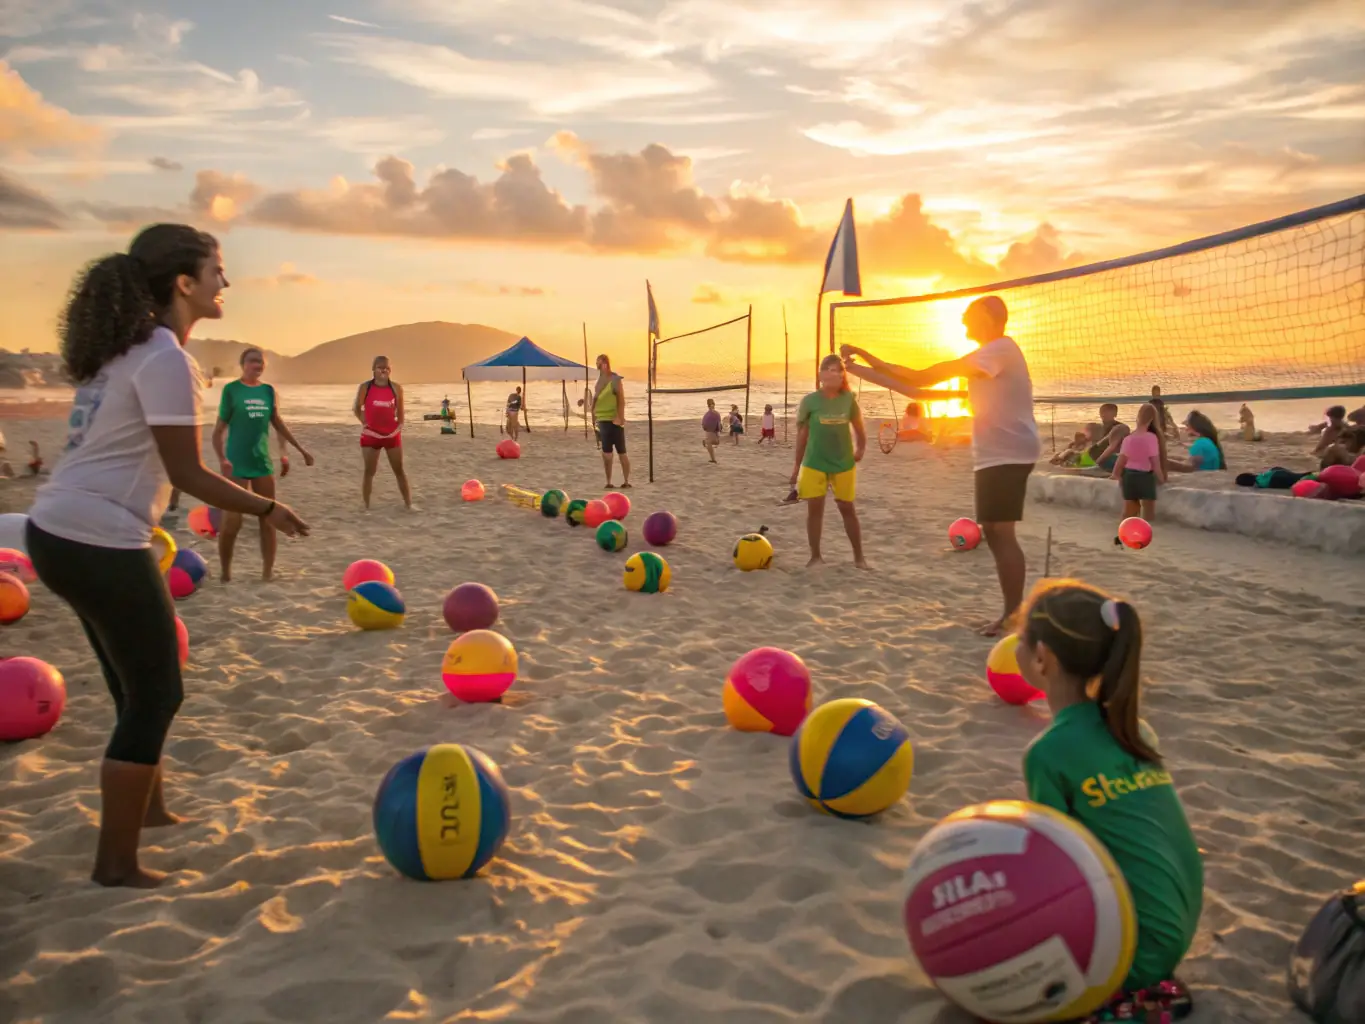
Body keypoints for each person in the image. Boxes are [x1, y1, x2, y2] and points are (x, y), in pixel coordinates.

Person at [24, 223, 309, 888]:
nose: (225, 283)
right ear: (184, 283)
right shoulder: (163, 360)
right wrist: (267, 507)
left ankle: (148, 815)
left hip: (58, 530)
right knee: (158, 691)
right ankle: (117, 863)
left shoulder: (127, 353)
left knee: (135, 685)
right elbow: (187, 473)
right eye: (217, 271)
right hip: (94, 537)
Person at [1016, 579, 1202, 1020]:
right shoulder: (1134, 730)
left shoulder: (1048, 753)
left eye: (1019, 640)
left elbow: (1051, 873)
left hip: (1131, 957)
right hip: (1175, 932)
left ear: (1043, 657)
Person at [843, 294, 1040, 635]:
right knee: (994, 531)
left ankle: (1013, 616)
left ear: (989, 318)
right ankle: (1011, 613)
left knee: (1001, 533)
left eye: (969, 315)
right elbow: (917, 391)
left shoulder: (999, 350)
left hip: (1009, 451)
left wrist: (866, 354)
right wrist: (858, 367)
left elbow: (922, 378)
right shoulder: (987, 359)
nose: (963, 321)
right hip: (996, 453)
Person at [213, 347, 314, 582]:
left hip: (261, 463)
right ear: (243, 364)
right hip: (236, 463)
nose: (257, 365)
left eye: (260, 362)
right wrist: (222, 459)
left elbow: (278, 423)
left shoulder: (268, 391)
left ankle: (267, 573)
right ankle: (225, 573)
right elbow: (218, 431)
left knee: (268, 519)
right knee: (231, 523)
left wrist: (298, 450)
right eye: (252, 361)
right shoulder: (231, 390)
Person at [791, 354, 867, 568]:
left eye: (838, 370)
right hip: (815, 462)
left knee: (847, 508)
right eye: (829, 370)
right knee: (815, 510)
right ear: (821, 374)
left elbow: (859, 429)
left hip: (843, 463)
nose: (834, 374)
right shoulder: (810, 401)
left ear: (843, 375)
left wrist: (861, 449)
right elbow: (802, 436)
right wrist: (796, 467)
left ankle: (859, 558)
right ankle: (815, 556)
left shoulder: (849, 399)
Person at [353, 355, 413, 510]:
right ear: (373, 369)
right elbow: (356, 408)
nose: (384, 370)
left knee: (399, 470)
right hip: (371, 436)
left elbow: (401, 411)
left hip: (391, 435)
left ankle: (409, 505)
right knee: (369, 471)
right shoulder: (365, 387)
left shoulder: (396, 388)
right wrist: (364, 422)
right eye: (380, 367)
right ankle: (366, 506)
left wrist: (400, 425)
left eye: (386, 368)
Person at [1111, 403, 1166, 537]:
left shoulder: (1129, 438)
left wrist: (1116, 475)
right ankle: (1143, 536)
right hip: (1145, 478)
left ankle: (1122, 535)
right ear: (1152, 419)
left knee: (1128, 511)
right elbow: (1155, 463)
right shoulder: (1151, 438)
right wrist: (1161, 479)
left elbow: (1121, 461)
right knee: (1148, 513)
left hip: (1129, 476)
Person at [591, 354, 630, 488]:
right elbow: (596, 399)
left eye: (600, 363)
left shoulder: (615, 379)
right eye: (597, 363)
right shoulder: (598, 382)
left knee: (622, 452)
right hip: (602, 421)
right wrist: (593, 416)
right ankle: (608, 482)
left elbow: (621, 400)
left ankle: (626, 481)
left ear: (605, 363)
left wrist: (620, 417)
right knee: (606, 454)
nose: (598, 366)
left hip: (614, 421)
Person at [1086, 403, 1129, 472]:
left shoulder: (1120, 428)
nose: (1104, 414)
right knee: (1070, 453)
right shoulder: (1098, 427)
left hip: (1114, 457)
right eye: (1102, 412)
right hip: (1098, 455)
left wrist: (1096, 464)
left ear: (1115, 414)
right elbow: (1091, 442)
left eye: (1107, 412)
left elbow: (1113, 447)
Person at [702, 398, 722, 463]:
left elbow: (704, 425)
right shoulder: (716, 413)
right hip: (714, 432)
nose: (711, 406)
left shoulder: (707, 414)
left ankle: (713, 459)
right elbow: (719, 424)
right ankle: (713, 459)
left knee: (708, 442)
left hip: (711, 432)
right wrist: (719, 432)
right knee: (711, 442)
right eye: (711, 404)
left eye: (711, 404)